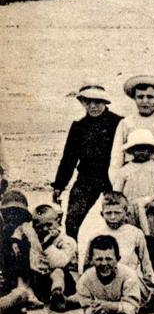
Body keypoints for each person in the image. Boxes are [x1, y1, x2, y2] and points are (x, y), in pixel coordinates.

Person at [52, 83, 123, 240]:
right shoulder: (78, 126)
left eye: (97, 102)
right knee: (71, 222)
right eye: (87, 102)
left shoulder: (119, 123)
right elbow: (69, 158)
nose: (93, 106)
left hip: (113, 179)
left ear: (105, 102)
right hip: (86, 179)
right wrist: (59, 185)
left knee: (119, 221)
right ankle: (72, 259)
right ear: (82, 103)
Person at [109, 129, 154, 264]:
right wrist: (122, 207)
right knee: (133, 240)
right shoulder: (125, 170)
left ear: (150, 150)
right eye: (137, 149)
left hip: (153, 212)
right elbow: (116, 193)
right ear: (131, 151)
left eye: (144, 149)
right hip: (132, 212)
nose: (141, 152)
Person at [110, 75, 154, 194]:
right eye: (140, 97)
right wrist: (116, 182)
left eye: (149, 97)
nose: (145, 101)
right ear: (134, 98)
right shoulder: (126, 123)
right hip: (132, 175)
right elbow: (117, 156)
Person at [83, 191, 154, 306]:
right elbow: (87, 264)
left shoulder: (135, 233)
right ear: (102, 214)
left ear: (126, 213)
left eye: (117, 213)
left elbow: (146, 263)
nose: (113, 217)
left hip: (129, 283)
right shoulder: (96, 235)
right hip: (105, 284)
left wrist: (151, 286)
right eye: (108, 213)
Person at [76, 235, 143, 314]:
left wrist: (110, 306)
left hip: (146, 297)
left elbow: (131, 309)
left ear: (118, 259)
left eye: (109, 259)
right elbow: (86, 307)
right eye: (99, 259)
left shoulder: (129, 275)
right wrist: (95, 311)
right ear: (91, 261)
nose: (104, 263)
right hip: (115, 300)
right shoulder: (85, 279)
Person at [31, 204, 79, 312]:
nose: (44, 229)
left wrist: (47, 244)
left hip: (64, 282)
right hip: (42, 280)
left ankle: (57, 295)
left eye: (49, 224)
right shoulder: (35, 240)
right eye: (39, 226)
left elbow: (60, 262)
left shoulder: (67, 241)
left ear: (58, 221)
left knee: (58, 272)